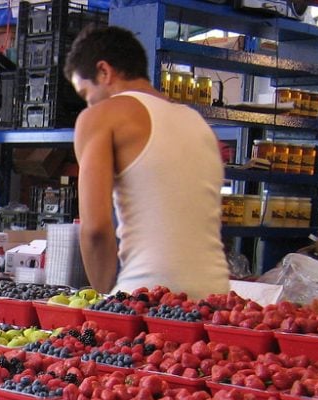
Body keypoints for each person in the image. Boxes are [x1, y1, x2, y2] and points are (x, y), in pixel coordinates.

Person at [63, 25, 230, 299]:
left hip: (150, 296)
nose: (88, 104)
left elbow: (94, 229)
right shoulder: (198, 123)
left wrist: (103, 296)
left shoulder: (101, 117)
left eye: (85, 94)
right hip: (217, 297)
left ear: (104, 71)